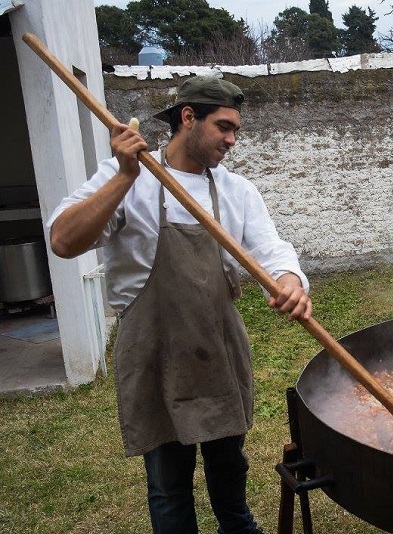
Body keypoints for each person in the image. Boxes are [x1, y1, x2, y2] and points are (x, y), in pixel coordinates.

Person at [47, 76, 312, 534]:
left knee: (230, 474)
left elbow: (273, 251)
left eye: (235, 131)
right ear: (188, 118)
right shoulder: (123, 175)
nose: (232, 140)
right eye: (224, 127)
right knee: (169, 487)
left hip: (218, 349)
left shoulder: (236, 191)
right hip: (155, 354)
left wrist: (290, 280)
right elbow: (64, 241)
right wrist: (126, 176)